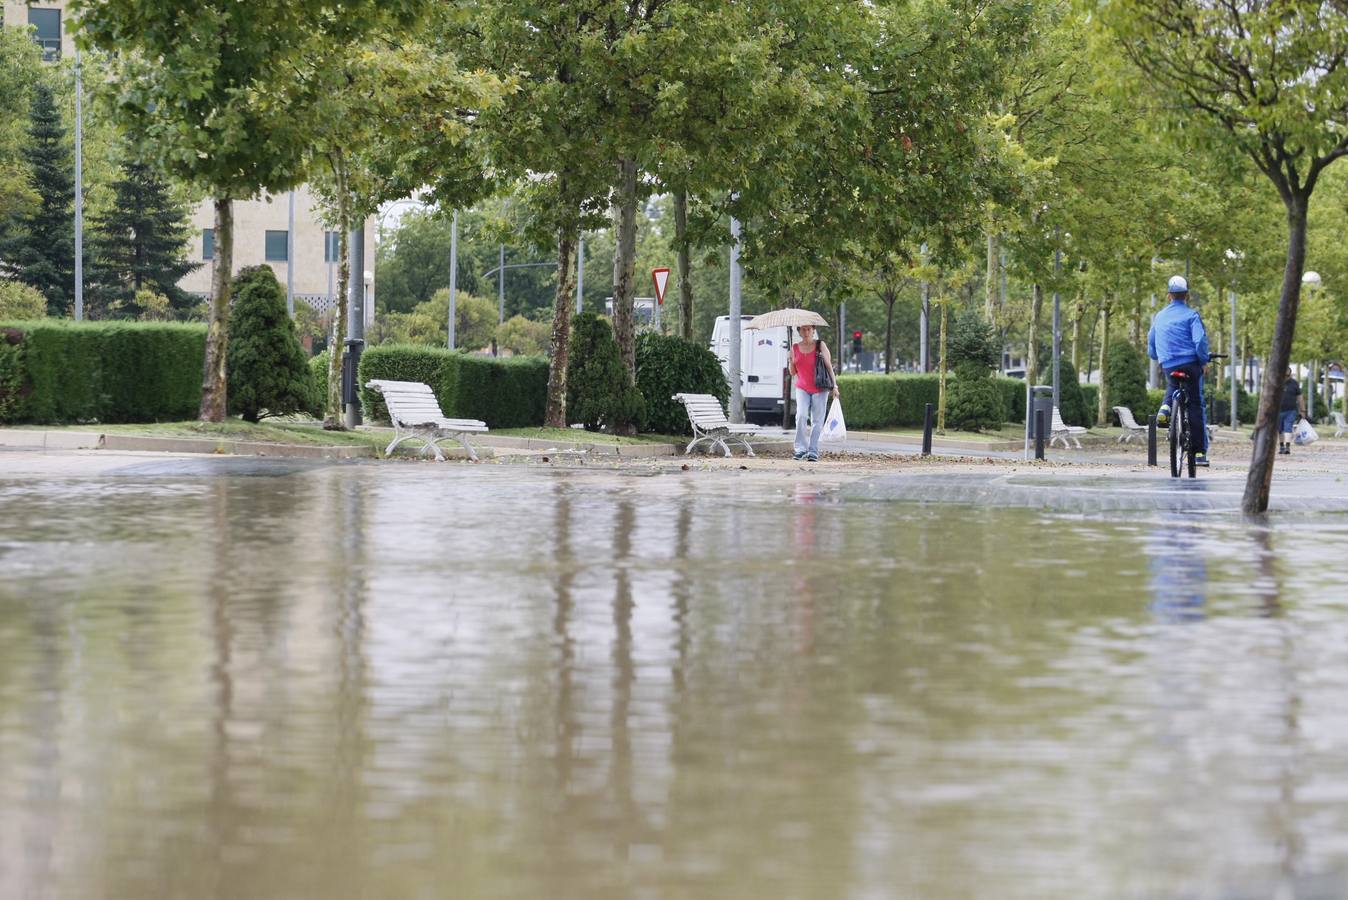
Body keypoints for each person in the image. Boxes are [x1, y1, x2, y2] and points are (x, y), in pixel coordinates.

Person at [1148, 275, 1211, 466]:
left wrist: (1156, 356)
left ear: (1169, 296)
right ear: (1187, 296)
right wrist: (1203, 360)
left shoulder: (1159, 316)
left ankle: (1166, 407)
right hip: (1190, 364)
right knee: (1195, 404)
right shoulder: (1192, 315)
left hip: (1168, 364)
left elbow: (1151, 341)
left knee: (1173, 383)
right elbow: (1199, 341)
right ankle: (1199, 453)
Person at [787, 324, 839, 461]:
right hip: (802, 387)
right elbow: (793, 372)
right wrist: (790, 359)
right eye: (803, 329)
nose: (806, 332)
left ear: (813, 331)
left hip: (820, 388)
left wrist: (835, 386)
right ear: (799, 331)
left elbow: (828, 366)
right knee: (801, 416)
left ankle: (813, 450)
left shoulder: (820, 345)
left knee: (817, 420)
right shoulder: (794, 348)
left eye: (809, 329)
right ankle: (800, 449)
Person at [1279, 366, 1306, 455]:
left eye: (1288, 375)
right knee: (1280, 430)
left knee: (1288, 427)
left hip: (1291, 411)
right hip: (1278, 411)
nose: (1287, 377)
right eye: (1285, 375)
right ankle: (1281, 446)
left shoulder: (1294, 384)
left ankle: (1287, 447)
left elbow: (1300, 398)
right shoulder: (1276, 382)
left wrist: (1302, 410)